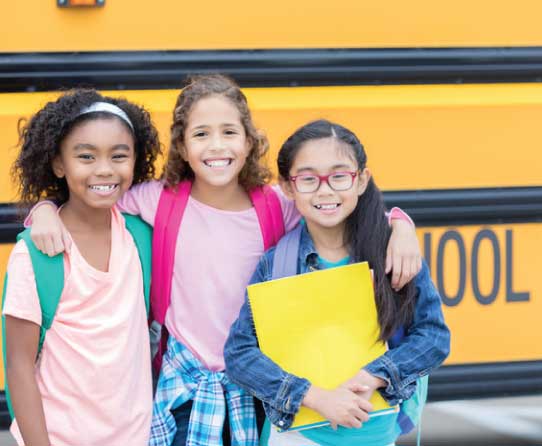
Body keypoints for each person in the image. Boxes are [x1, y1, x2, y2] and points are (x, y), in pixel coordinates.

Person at [26, 75, 423, 445]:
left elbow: (337, 205)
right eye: (201, 134)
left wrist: (401, 226)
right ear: (182, 146)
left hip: (259, 384)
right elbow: (93, 195)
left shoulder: (275, 206)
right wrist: (45, 208)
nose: (217, 146)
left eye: (229, 133)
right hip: (183, 388)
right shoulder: (158, 201)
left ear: (250, 142)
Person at [224, 119, 451, 446]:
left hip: (377, 436)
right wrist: (314, 397)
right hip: (295, 437)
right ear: (288, 187)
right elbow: (240, 352)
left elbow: (433, 336)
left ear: (361, 181)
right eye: (308, 178)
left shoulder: (392, 254)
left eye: (339, 175)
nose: (325, 190)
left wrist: (375, 375)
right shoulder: (278, 263)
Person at [2, 89, 161, 446]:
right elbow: (18, 366)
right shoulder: (37, 253)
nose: (104, 169)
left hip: (138, 436)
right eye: (86, 156)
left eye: (119, 155)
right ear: (59, 164)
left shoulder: (141, 235)